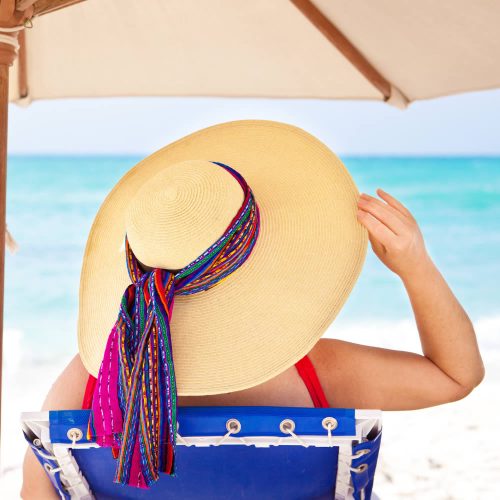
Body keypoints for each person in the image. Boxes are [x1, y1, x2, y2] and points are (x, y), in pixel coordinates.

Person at [21, 121, 484, 498]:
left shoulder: (92, 380)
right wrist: (415, 267)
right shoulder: (319, 374)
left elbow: (36, 493)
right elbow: (456, 375)